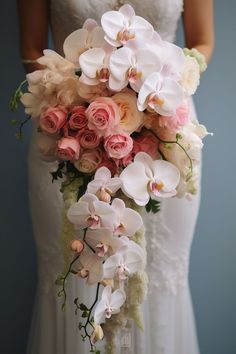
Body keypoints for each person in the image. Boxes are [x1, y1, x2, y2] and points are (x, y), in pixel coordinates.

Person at [17, 1, 214, 353]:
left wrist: (156, 90)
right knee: (74, 275)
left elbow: (202, 42)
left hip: (166, 132)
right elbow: (31, 49)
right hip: (69, 129)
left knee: (160, 280)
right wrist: (82, 99)